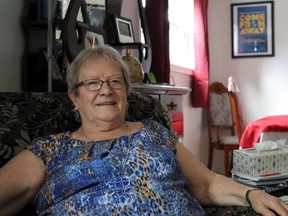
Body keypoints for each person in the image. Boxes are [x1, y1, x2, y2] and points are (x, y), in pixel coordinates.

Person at [0, 45, 287, 216]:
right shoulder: (50, 150)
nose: (105, 90)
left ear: (126, 91)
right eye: (92, 83)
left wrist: (252, 195)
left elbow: (207, 183)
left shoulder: (154, 131)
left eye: (115, 81)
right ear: (74, 97)